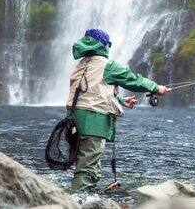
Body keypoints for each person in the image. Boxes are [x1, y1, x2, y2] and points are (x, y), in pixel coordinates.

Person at [67, 28, 170, 193]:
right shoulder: (106, 65)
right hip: (93, 119)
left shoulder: (82, 64)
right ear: (103, 45)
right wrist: (156, 87)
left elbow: (89, 91)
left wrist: (120, 100)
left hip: (73, 119)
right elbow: (132, 80)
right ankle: (80, 198)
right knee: (89, 162)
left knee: (85, 159)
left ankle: (85, 194)